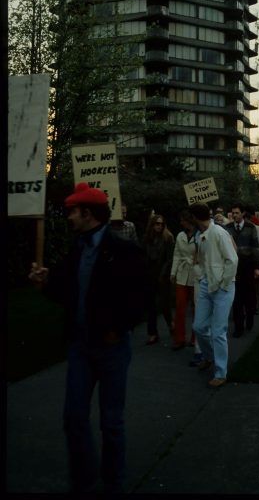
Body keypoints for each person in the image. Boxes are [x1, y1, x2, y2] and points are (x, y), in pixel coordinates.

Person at [28, 182, 146, 493]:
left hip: (111, 350)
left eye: (71, 211)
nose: (68, 216)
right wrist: (44, 283)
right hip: (80, 347)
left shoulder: (124, 250)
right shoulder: (77, 248)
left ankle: (113, 482)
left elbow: (141, 300)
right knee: (74, 418)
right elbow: (67, 292)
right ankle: (83, 479)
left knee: (111, 422)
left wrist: (116, 328)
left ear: (87, 213)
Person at [189, 202, 238, 389]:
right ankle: (210, 357)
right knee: (199, 326)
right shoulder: (200, 235)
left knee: (218, 331)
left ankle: (220, 372)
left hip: (223, 288)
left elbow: (232, 259)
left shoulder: (219, 232)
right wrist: (201, 277)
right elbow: (200, 260)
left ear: (194, 217)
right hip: (206, 284)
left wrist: (224, 284)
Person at [225, 203, 259, 337]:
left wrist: (257, 267)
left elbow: (256, 248)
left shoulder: (251, 227)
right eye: (233, 213)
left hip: (248, 266)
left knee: (249, 297)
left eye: (237, 213)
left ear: (243, 214)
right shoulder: (227, 228)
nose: (234, 215)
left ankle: (250, 317)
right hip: (234, 268)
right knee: (236, 299)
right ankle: (238, 327)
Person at [142, 214, 175, 345]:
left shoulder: (168, 238)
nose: (159, 226)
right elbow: (144, 256)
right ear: (152, 224)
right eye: (157, 223)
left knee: (164, 303)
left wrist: (163, 275)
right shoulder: (147, 239)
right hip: (150, 274)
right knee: (150, 305)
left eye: (161, 224)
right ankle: (152, 333)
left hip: (163, 274)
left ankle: (172, 326)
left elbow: (169, 259)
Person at [170, 210, 198, 351]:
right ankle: (179, 338)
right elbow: (176, 254)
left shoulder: (199, 236)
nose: (181, 223)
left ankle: (195, 338)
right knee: (180, 306)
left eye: (183, 220)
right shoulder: (180, 235)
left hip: (195, 275)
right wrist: (173, 272)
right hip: (182, 274)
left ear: (189, 221)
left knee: (196, 308)